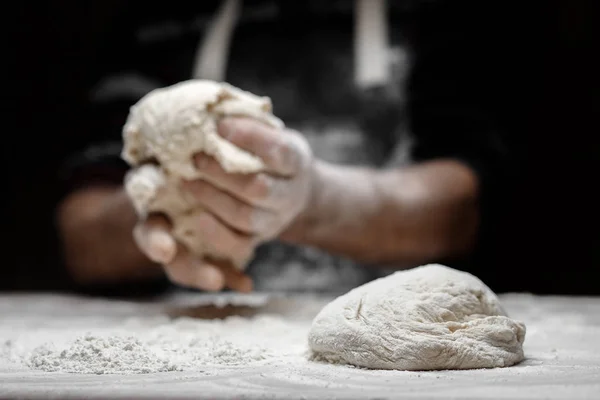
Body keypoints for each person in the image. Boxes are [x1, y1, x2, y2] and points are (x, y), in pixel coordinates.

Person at [19, 0, 599, 295]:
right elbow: (82, 233)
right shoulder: (158, 16)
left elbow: (462, 210)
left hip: (404, 357)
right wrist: (168, 206)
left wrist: (314, 199)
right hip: (191, 336)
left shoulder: (442, 12)